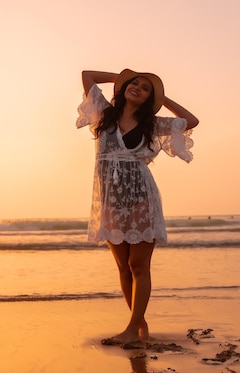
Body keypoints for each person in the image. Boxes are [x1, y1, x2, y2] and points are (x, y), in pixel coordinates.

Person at [76, 69, 199, 343]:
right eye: (134, 84)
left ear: (149, 99)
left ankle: (132, 329)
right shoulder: (103, 114)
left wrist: (162, 97)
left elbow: (191, 120)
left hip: (142, 197)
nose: (138, 88)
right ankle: (139, 326)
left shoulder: (152, 125)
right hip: (111, 200)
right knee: (123, 268)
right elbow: (87, 75)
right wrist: (121, 78)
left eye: (145, 88)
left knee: (138, 265)